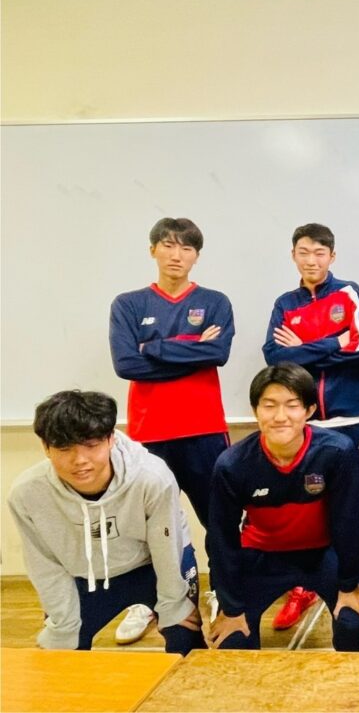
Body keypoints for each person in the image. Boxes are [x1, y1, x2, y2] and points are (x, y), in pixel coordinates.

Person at [109, 217, 234, 640]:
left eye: (186, 248)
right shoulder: (128, 304)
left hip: (204, 429)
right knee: (147, 526)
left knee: (219, 519)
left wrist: (155, 348)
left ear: (196, 256)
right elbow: (126, 364)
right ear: (153, 250)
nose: (176, 255)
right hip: (150, 433)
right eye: (167, 245)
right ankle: (150, 602)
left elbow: (218, 354)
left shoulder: (214, 302)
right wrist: (193, 346)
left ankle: (225, 594)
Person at [7, 390, 204, 654]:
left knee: (184, 638)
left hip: (152, 565)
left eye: (91, 446)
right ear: (45, 447)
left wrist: (173, 605)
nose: (80, 461)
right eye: (64, 449)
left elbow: (166, 547)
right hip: (85, 576)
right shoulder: (27, 494)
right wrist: (63, 622)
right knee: (61, 653)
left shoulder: (152, 477)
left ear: (111, 439)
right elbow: (44, 564)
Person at [206, 363, 359, 651]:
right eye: (269, 406)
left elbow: (350, 523)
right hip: (262, 556)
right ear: (255, 410)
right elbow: (221, 539)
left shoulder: (337, 452)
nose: (280, 417)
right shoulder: (232, 465)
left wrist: (349, 585)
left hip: (321, 554)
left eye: (292, 405)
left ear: (309, 410)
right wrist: (231, 608)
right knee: (233, 641)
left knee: (353, 621)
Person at [263, 223, 359, 630]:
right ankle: (306, 584)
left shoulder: (348, 293)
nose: (311, 260)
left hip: (351, 415)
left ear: (332, 256)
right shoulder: (285, 303)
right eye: (304, 252)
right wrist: (334, 342)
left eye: (319, 252)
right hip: (304, 421)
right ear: (293, 255)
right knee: (309, 504)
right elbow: (275, 356)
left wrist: (304, 349)